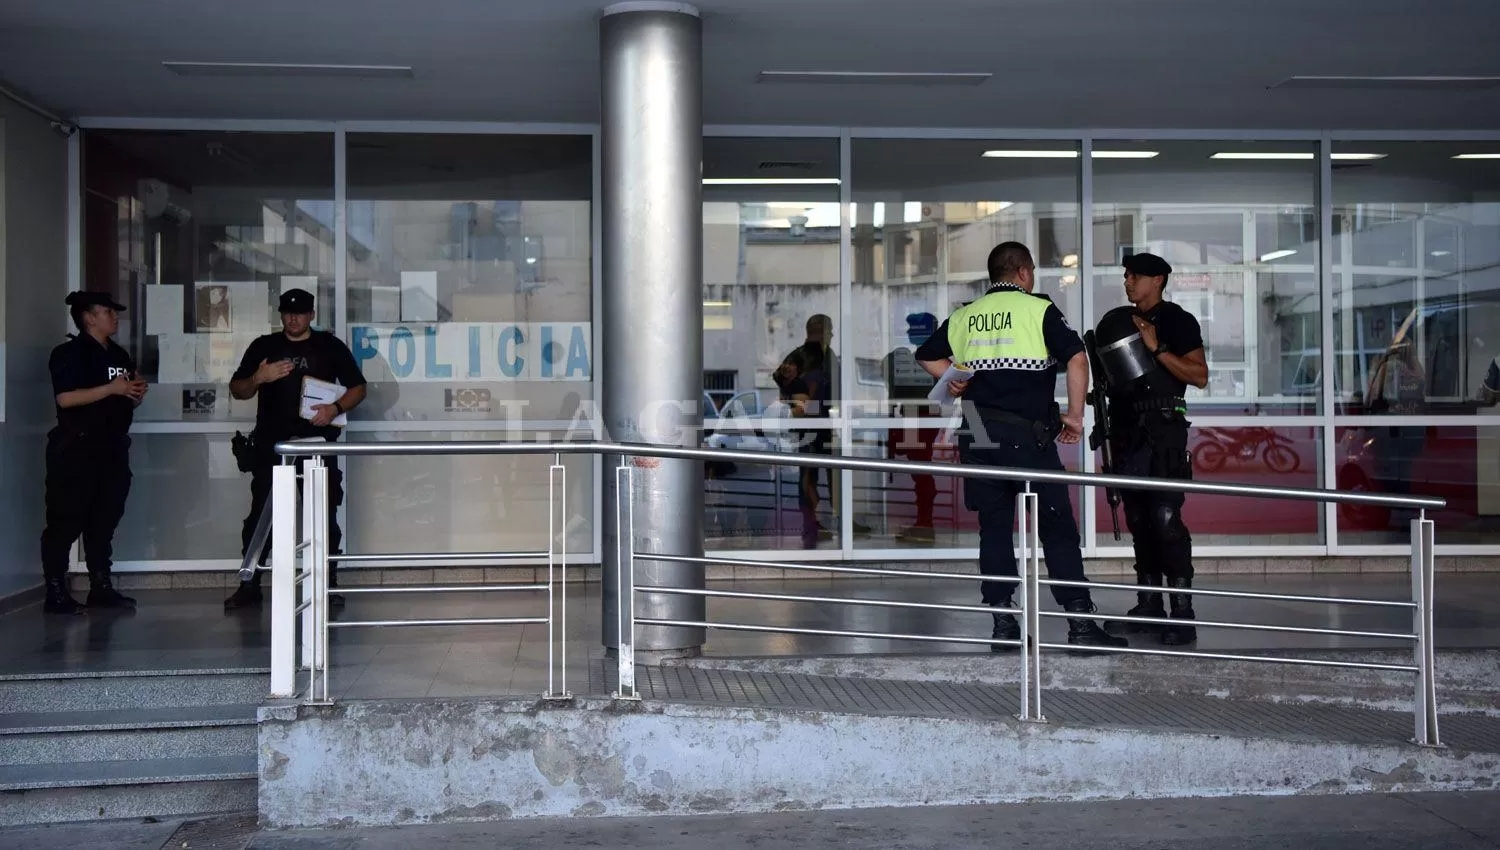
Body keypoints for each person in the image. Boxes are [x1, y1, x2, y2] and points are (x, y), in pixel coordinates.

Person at [915, 242, 1125, 650]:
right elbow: (1077, 359)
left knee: (993, 529)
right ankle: (1080, 623)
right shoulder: (1038, 310)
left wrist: (955, 380)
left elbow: (927, 355)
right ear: (1024, 272)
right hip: (1027, 435)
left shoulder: (966, 315)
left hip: (977, 430)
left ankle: (1003, 624)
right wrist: (1075, 416)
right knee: (1057, 528)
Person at [223, 288, 367, 610]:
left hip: (317, 447)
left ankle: (327, 584)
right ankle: (249, 584)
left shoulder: (328, 345)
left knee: (324, 516)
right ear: (281, 314)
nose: (293, 318)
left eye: (300, 313)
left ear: (311, 315)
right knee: (261, 517)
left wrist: (335, 408)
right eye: (288, 313)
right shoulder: (264, 346)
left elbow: (359, 387)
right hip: (272, 447)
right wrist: (258, 377)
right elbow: (238, 389)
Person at [1099, 253, 1209, 646]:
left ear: (1158, 279)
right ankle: (1149, 605)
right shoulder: (1119, 321)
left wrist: (1157, 348)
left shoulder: (1177, 320)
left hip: (1164, 431)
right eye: (1126, 275)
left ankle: (1182, 612)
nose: (1127, 281)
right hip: (1126, 433)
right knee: (1139, 519)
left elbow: (1199, 375)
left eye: (1136, 275)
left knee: (1165, 518)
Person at [40, 291, 147, 614]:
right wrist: (112, 389)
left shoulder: (118, 354)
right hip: (77, 449)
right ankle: (56, 591)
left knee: (104, 520)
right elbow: (65, 399)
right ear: (88, 317)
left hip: (112, 448)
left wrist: (134, 393)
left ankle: (101, 587)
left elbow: (124, 397)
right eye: (107, 312)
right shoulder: (69, 353)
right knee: (66, 520)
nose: (115, 317)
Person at [884, 312, 941, 544]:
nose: (908, 332)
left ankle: (925, 524)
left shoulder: (930, 358)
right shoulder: (919, 357)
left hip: (920, 416)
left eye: (912, 328)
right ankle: (923, 523)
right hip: (913, 415)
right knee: (919, 470)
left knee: (921, 470)